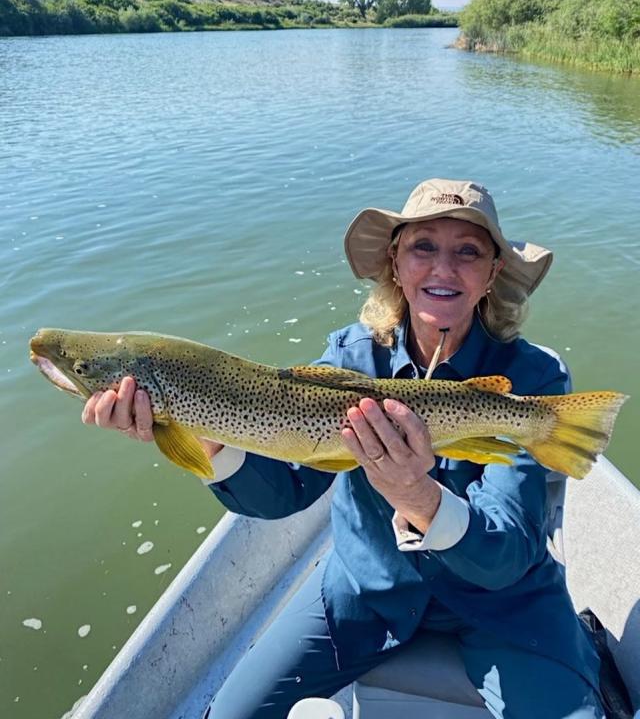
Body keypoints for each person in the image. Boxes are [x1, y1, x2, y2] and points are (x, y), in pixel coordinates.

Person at [82, 178, 606, 719]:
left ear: (493, 273)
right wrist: (206, 435)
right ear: (395, 263)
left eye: (467, 252)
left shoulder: (533, 378)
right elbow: (285, 493)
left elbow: (509, 553)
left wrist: (418, 496)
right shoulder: (348, 359)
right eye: (423, 246)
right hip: (367, 592)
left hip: (506, 607)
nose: (443, 269)